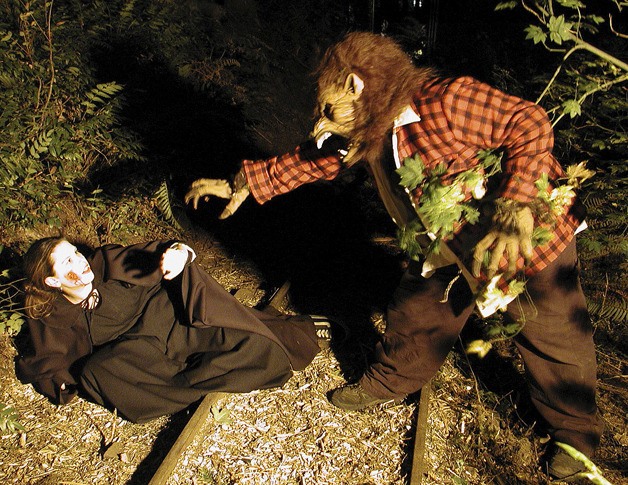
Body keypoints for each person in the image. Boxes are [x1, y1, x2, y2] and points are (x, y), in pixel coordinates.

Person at [184, 32, 603, 479]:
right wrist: (245, 183)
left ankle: (575, 438)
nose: (319, 124)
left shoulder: (446, 101)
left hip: (523, 236)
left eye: (327, 110)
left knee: (554, 334)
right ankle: (388, 382)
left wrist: (517, 202)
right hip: (445, 244)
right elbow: (314, 159)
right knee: (416, 313)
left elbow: (529, 122)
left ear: (355, 85)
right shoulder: (369, 129)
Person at [16, 237, 333, 423]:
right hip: (138, 352)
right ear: (52, 282)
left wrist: (180, 253)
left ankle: (298, 333)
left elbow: (165, 250)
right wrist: (62, 383)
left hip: (170, 320)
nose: (79, 261)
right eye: (67, 262)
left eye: (76, 252)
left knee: (253, 345)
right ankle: (185, 388)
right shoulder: (51, 315)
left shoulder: (105, 263)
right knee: (99, 370)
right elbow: (48, 363)